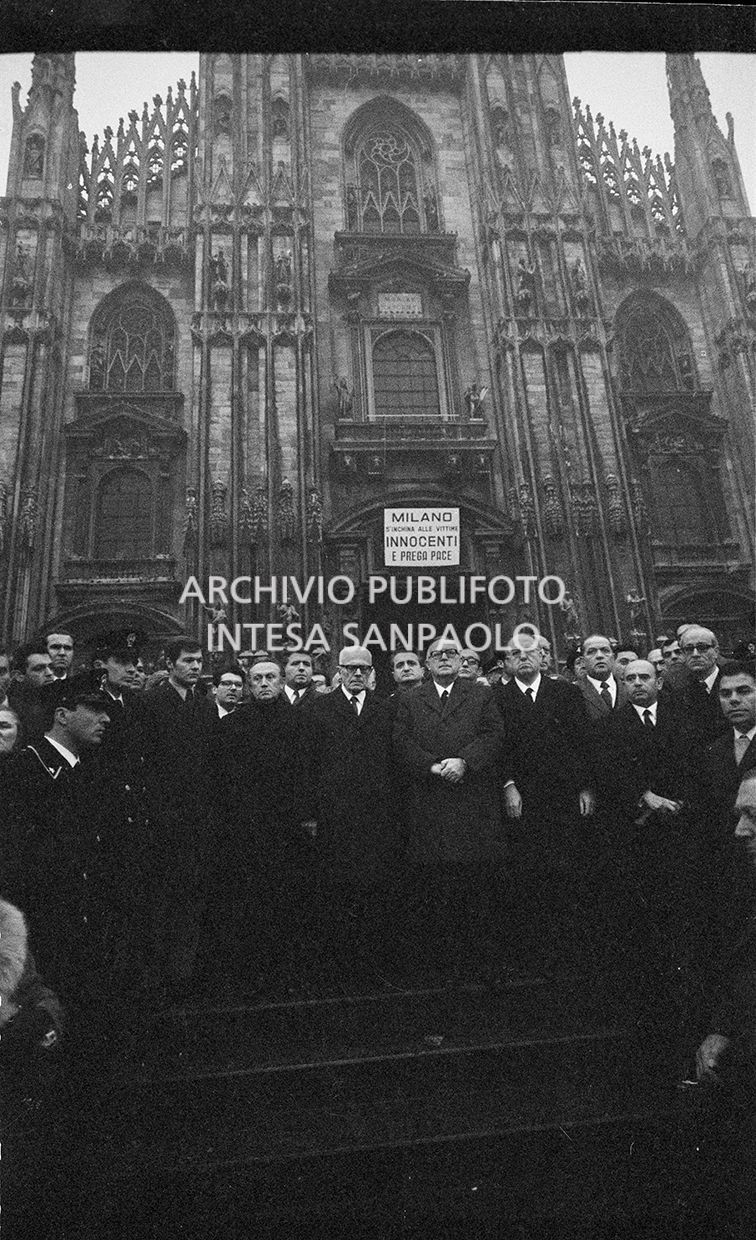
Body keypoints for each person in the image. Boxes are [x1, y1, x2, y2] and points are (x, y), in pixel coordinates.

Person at [393, 638, 507, 984]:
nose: (444, 658)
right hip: (430, 803)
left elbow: (493, 734)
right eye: (436, 655)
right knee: (436, 888)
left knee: (476, 886)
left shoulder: (481, 695)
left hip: (472, 802)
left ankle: (481, 967)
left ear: (461, 661)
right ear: (426, 664)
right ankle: (441, 968)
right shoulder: (411, 699)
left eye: (451, 654)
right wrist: (431, 766)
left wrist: (464, 761)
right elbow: (401, 740)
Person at [203, 658, 314, 999]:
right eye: (257, 678)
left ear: (282, 681)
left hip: (289, 829)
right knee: (247, 903)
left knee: (289, 902)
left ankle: (289, 974)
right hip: (245, 829)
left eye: (270, 677)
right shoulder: (231, 726)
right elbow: (220, 780)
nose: (264, 683)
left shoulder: (304, 722)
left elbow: (309, 775)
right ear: (249, 685)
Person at [0, 676, 112, 1012]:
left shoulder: (90, 768)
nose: (105, 718)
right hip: (44, 923)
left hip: (88, 922)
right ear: (62, 715)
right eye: (94, 709)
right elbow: (14, 856)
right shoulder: (23, 769)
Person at [302, 646, 404, 988]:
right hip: (336, 816)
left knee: (377, 890)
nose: (357, 674)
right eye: (350, 668)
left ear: (372, 672)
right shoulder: (319, 708)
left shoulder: (386, 708)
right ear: (339, 671)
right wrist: (312, 813)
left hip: (378, 815)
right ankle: (340, 969)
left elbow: (395, 761)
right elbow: (309, 764)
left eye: (363, 668)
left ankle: (376, 966)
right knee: (338, 890)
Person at [493, 631, 595, 970]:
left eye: (530, 652)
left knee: (568, 870)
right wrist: (508, 784)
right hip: (521, 798)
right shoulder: (496, 697)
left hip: (563, 795)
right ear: (506, 662)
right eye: (515, 654)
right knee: (527, 873)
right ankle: (535, 953)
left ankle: (571, 950)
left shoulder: (565, 693)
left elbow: (582, 743)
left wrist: (585, 787)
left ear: (543, 657)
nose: (523, 658)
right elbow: (498, 747)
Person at [139, 637, 216, 1003]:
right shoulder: (150, 703)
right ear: (169, 664)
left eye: (199, 661)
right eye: (187, 661)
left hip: (198, 816)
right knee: (160, 897)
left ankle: (183, 973)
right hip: (162, 815)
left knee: (192, 895)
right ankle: (155, 976)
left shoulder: (204, 706)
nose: (195, 667)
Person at [7, 640, 55, 741]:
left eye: (51, 667)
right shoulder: (10, 709)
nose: (49, 673)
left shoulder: (56, 700)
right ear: (19, 676)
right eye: (39, 668)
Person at [576, 633, 627, 720]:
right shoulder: (574, 692)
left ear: (613, 657)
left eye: (605, 651)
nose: (599, 656)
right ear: (583, 661)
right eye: (591, 652)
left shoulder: (627, 688)